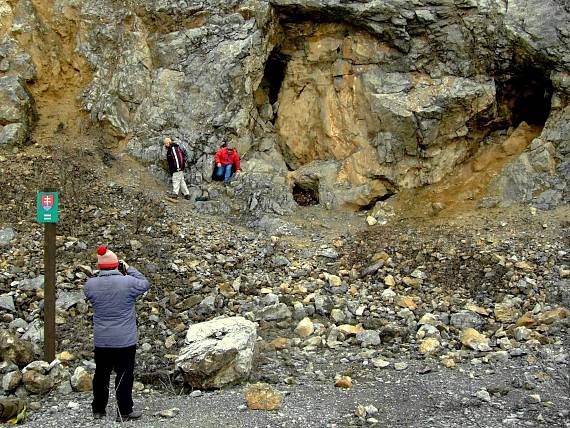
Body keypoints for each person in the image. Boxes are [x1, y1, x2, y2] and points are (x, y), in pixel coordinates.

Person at [83, 246, 150, 422]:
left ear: (99, 267)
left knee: (101, 374)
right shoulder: (128, 282)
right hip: (125, 339)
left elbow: (93, 290)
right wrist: (128, 268)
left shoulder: (90, 285)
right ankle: (125, 411)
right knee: (125, 374)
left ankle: (98, 409)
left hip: (102, 339)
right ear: (116, 265)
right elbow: (145, 283)